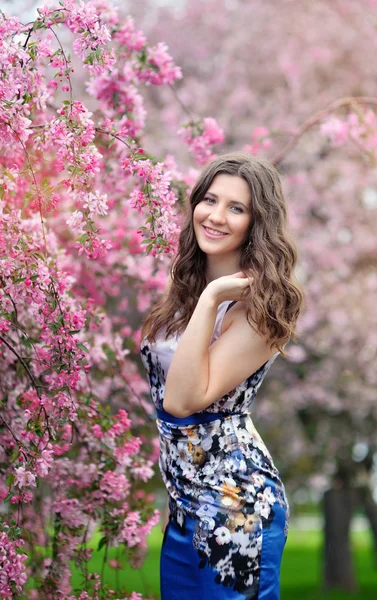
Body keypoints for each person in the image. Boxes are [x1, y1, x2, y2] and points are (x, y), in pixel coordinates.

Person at [140, 152, 304, 599]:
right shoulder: (184, 293)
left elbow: (181, 401)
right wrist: (205, 295)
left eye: (236, 208)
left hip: (236, 509)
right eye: (209, 200)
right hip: (183, 507)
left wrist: (214, 297)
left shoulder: (262, 309)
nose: (215, 216)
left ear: (257, 223)